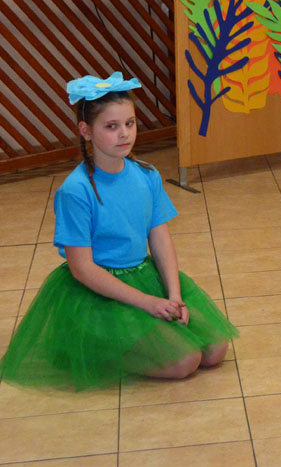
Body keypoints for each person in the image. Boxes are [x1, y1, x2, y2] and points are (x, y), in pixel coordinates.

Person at [0, 73, 237, 389]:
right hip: (100, 291)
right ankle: (92, 348)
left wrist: (173, 294)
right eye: (111, 126)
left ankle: (146, 330)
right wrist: (147, 302)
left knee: (215, 350)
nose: (124, 133)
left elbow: (159, 237)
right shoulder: (76, 191)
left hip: (143, 275)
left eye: (130, 123)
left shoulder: (147, 175)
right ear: (86, 131)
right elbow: (82, 269)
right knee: (185, 361)